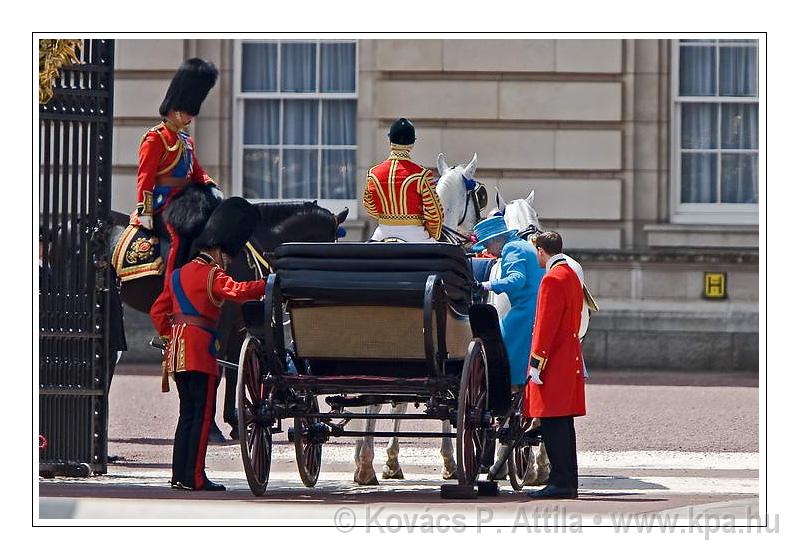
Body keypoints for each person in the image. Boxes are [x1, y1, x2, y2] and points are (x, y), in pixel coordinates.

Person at [149, 197, 266, 491]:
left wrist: (170, 335)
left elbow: (157, 311)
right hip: (200, 353)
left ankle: (179, 475)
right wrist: (269, 282)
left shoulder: (176, 275)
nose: (228, 260)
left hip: (177, 353)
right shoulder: (213, 273)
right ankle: (196, 477)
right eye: (226, 254)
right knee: (202, 418)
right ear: (217, 249)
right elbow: (238, 291)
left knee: (186, 415)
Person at [132, 57, 219, 280]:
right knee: (176, 237)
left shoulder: (185, 140)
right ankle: (171, 286)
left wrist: (210, 185)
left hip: (185, 200)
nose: (191, 117)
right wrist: (145, 211)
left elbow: (196, 171)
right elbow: (145, 178)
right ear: (176, 109)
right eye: (188, 112)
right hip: (163, 204)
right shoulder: (155, 138)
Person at [525, 231, 586, 499]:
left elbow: (545, 327)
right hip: (568, 357)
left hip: (553, 362)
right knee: (564, 425)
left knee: (552, 424)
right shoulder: (571, 275)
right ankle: (568, 480)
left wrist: (536, 363)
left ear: (541, 251)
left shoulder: (552, 279)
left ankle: (560, 483)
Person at [473, 216, 545, 390]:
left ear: (497, 240)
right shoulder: (522, 245)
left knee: (500, 345)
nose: (487, 249)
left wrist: (486, 285)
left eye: (487, 244)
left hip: (526, 309)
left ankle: (511, 389)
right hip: (533, 306)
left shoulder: (512, 248)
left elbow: (516, 280)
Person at [363, 117, 444, 242]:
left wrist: (387, 218)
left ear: (390, 141)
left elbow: (370, 207)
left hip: (382, 233)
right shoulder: (421, 175)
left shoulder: (373, 174)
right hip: (416, 236)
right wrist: (433, 234)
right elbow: (435, 213)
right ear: (412, 144)